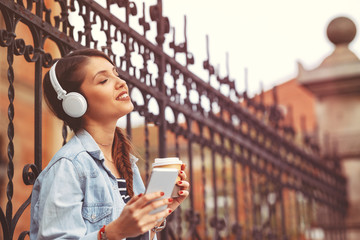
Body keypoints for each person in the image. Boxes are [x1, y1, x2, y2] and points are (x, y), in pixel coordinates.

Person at [30, 48, 189, 240]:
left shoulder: (126, 164)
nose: (121, 82)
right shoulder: (68, 166)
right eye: (104, 80)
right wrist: (114, 233)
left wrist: (155, 216)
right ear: (75, 102)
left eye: (116, 74)